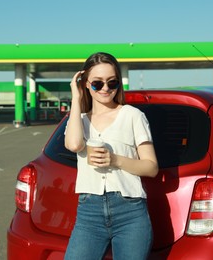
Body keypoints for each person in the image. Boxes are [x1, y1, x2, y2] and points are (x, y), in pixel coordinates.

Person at [64, 52, 159, 260]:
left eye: (112, 82)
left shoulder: (133, 115)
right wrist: (76, 97)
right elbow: (73, 144)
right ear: (86, 84)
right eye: (97, 83)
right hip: (89, 212)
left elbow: (151, 167)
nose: (106, 88)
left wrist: (115, 160)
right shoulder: (78, 120)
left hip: (130, 212)